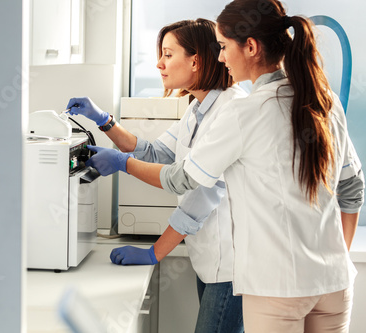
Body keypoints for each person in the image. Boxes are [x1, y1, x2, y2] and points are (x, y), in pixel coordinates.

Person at [81, 1, 366, 332]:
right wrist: (335, 257)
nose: (220, 57)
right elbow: (352, 188)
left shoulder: (243, 112)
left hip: (276, 286)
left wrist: (124, 164)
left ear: (250, 47)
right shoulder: (323, 100)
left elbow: (183, 179)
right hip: (334, 282)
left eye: (223, 46)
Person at [67, 19, 246, 333]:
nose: (159, 64)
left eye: (167, 54)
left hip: (232, 265)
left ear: (196, 60)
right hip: (211, 261)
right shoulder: (197, 108)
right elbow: (154, 151)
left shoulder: (231, 111)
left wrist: (153, 252)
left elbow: (197, 193)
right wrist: (104, 120)